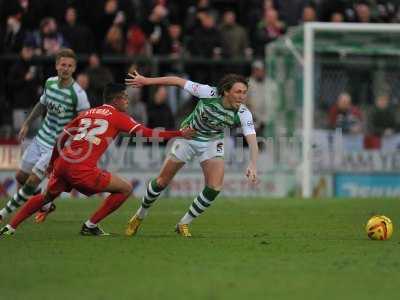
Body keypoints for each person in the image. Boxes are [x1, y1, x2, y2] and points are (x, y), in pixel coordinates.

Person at [0, 83, 195, 236]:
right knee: (126, 188)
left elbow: (61, 138)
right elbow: (147, 133)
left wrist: (52, 164)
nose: (127, 101)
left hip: (62, 163)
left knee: (45, 197)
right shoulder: (118, 116)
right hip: (82, 169)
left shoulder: (87, 113)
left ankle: (10, 226)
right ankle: (90, 225)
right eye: (125, 97)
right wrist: (179, 133)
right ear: (117, 99)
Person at [125, 71, 259, 237]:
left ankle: (183, 224)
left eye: (244, 92)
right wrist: (146, 80)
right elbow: (176, 81)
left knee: (215, 186)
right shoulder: (208, 93)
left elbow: (252, 139)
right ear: (226, 91)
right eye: (238, 92)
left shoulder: (243, 113)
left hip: (212, 141)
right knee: (161, 182)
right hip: (187, 136)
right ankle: (140, 215)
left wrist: (253, 164)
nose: (242, 96)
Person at [0, 48, 90, 224]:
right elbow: (41, 105)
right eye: (63, 64)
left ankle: (3, 212)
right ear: (57, 65)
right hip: (40, 138)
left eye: (70, 66)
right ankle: (46, 205)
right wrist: (27, 123)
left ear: (74, 69)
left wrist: (76, 145)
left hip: (55, 146)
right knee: (20, 177)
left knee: (32, 181)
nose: (66, 68)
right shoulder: (49, 83)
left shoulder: (78, 95)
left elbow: (85, 122)